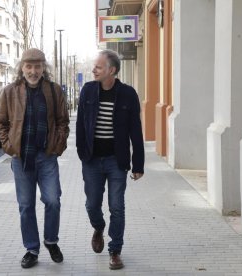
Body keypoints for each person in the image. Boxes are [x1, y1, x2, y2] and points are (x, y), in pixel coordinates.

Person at [0, 48, 70, 269]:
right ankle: (31, 249)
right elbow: (1, 123)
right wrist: (10, 147)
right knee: (26, 205)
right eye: (29, 66)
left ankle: (51, 241)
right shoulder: (9, 92)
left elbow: (63, 121)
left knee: (53, 200)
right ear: (22, 68)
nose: (33, 71)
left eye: (37, 67)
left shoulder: (54, 91)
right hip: (22, 159)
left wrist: (57, 146)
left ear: (43, 68)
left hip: (46, 156)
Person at [75, 49, 145, 270]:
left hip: (117, 160)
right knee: (92, 204)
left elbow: (136, 130)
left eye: (98, 67)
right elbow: (79, 125)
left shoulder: (128, 94)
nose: (94, 70)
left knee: (117, 206)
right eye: (95, 66)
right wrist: (81, 152)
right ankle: (98, 226)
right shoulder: (87, 91)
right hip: (92, 160)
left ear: (111, 70)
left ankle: (115, 251)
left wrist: (138, 164)